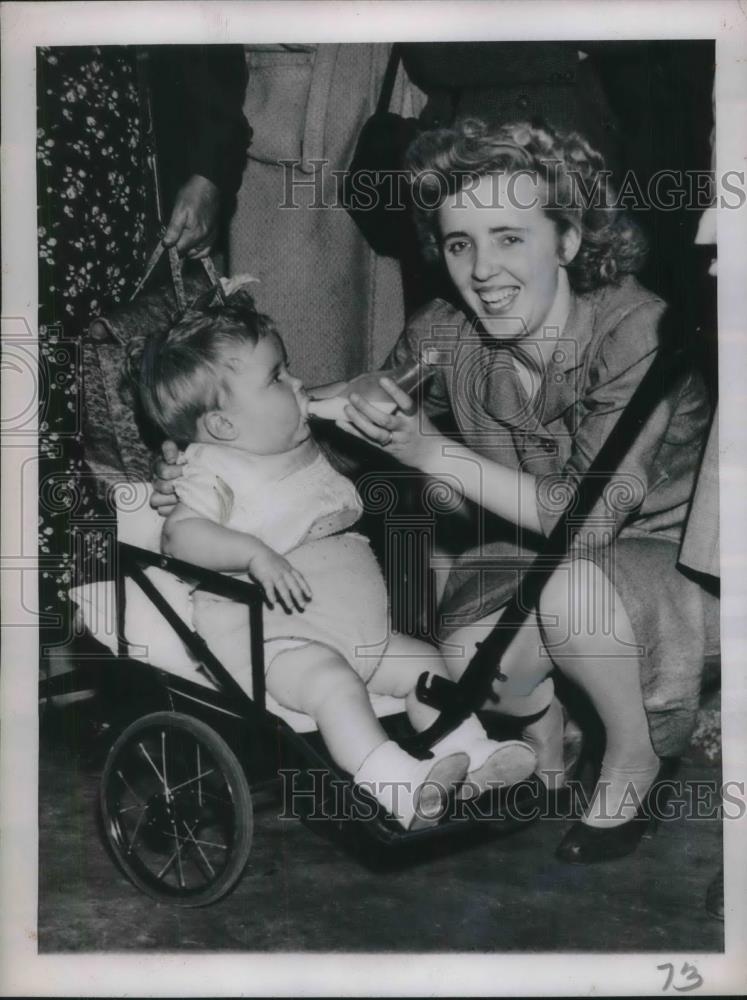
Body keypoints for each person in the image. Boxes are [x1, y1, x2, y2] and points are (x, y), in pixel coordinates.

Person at [337, 119, 712, 862]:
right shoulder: (446, 330)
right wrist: (326, 400)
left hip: (666, 563)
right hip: (523, 557)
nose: (480, 269)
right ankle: (548, 748)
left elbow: (588, 521)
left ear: (567, 242)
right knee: (479, 669)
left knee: (569, 591)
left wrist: (428, 449)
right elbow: (364, 397)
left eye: (509, 237)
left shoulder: (638, 331)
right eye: (458, 243)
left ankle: (634, 757)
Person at [133, 285, 537, 830]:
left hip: (359, 632)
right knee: (334, 686)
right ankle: (395, 786)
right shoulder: (212, 468)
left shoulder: (296, 442)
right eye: (277, 377)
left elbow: (356, 394)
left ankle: (468, 752)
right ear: (224, 426)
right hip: (277, 645)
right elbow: (180, 538)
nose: (298, 383)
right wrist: (253, 554)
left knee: (422, 661)